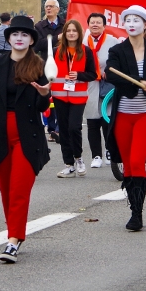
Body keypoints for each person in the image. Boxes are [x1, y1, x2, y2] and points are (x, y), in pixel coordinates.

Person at [0, 16, 52, 264]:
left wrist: (45, 93)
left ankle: (13, 240)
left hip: (28, 138)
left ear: (31, 40)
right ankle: (14, 233)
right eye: (15, 34)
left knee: (18, 190)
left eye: (24, 35)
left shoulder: (39, 66)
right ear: (8, 38)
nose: (19, 38)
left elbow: (41, 107)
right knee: (6, 191)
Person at [105, 5, 146, 231]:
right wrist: (138, 79)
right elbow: (111, 73)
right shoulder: (117, 51)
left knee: (136, 161)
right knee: (127, 166)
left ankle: (138, 214)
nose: (131, 24)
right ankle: (134, 209)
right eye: (127, 20)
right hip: (124, 114)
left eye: (136, 20)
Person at [51, 19, 98, 177]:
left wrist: (79, 75)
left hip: (78, 96)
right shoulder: (56, 51)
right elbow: (48, 71)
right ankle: (68, 164)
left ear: (79, 33)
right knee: (63, 130)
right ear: (64, 33)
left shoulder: (86, 51)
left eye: (74, 31)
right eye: (68, 30)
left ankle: (78, 158)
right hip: (59, 95)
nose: (71, 33)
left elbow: (93, 74)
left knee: (74, 127)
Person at [84, 13, 121, 168]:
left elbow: (118, 61)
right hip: (90, 84)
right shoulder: (83, 41)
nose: (95, 25)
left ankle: (108, 150)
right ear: (88, 25)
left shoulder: (113, 41)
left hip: (107, 84)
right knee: (92, 120)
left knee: (107, 119)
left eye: (98, 22)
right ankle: (96, 155)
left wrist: (111, 71)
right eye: (92, 22)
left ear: (104, 25)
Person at [34, 0, 62, 142]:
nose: (48, 9)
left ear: (58, 9)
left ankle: (60, 127)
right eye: (46, 7)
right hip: (47, 66)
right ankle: (52, 129)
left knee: (61, 97)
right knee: (49, 97)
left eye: (51, 6)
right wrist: (58, 38)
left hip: (63, 65)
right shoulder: (39, 26)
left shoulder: (65, 24)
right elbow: (38, 45)